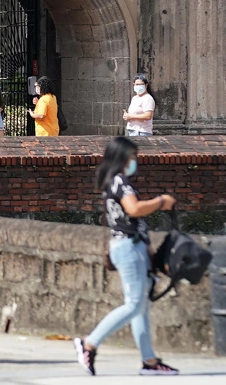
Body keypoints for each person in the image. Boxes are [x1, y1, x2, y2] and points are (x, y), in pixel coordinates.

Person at [74, 137, 179, 376]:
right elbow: (134, 210)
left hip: (132, 246)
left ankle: (149, 361)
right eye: (132, 156)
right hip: (128, 247)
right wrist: (161, 201)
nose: (135, 161)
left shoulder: (113, 181)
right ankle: (88, 344)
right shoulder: (120, 181)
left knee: (140, 306)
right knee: (134, 304)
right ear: (122, 158)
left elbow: (131, 218)